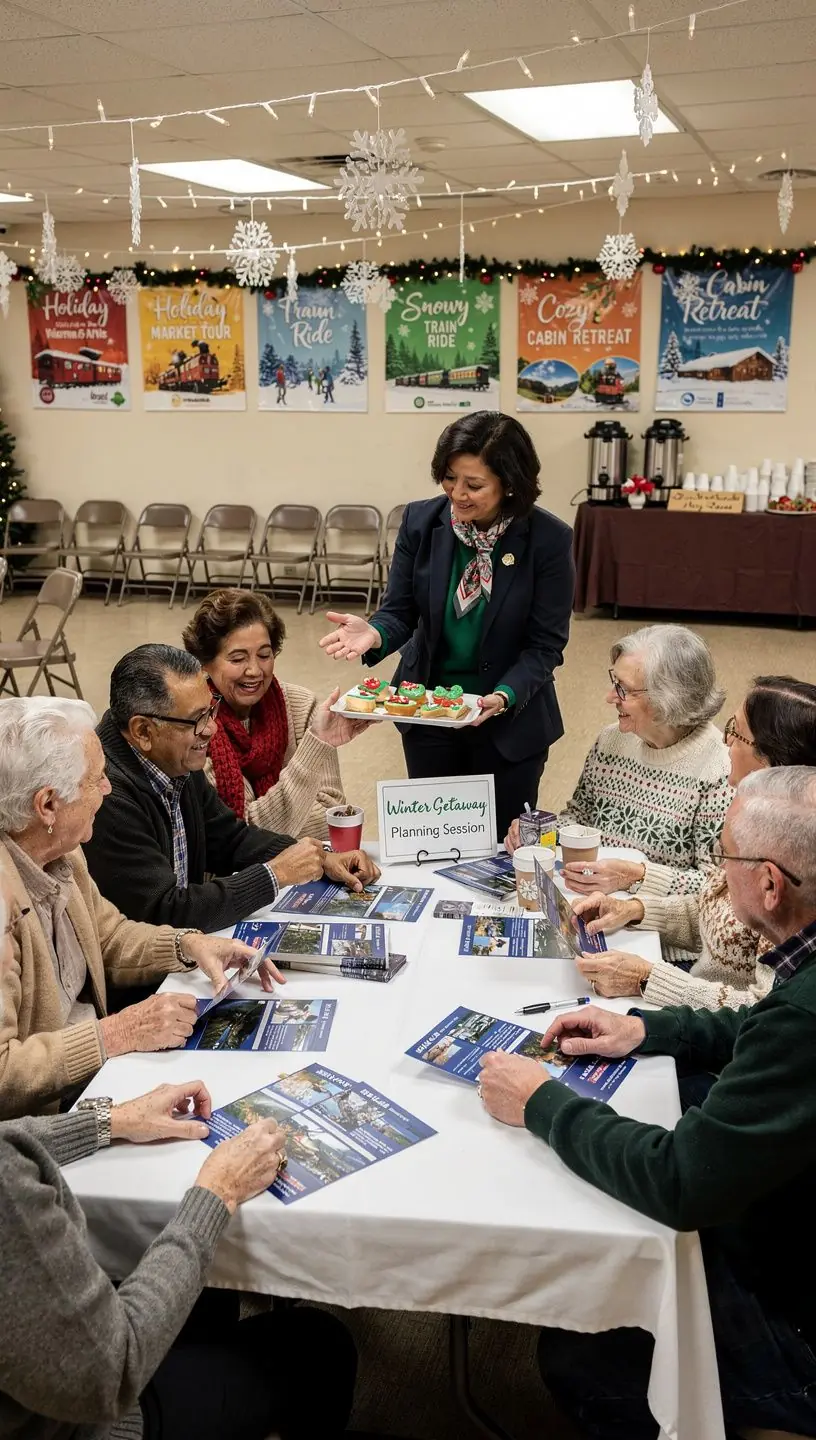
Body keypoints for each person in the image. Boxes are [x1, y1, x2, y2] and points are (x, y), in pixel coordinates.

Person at [478, 765, 816, 1439]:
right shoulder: (800, 983)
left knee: (579, 1352)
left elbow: (679, 1182)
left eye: (725, 859)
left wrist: (543, 1103)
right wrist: (644, 1028)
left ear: (771, 884)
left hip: (799, 1322)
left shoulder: (803, 1020)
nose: (717, 879)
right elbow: (757, 1030)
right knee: (676, 1093)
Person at [0, 876, 358, 1439]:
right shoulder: (11, 1196)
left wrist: (107, 1120)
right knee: (319, 1344)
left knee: (205, 1301)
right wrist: (215, 1195)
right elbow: (107, 1374)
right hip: (95, 1419)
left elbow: (6, 1145)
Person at [0, 697, 288, 1119]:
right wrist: (116, 1032)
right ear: (47, 805)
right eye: (95, 779)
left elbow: (107, 935)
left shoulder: (59, 852)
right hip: (44, 1127)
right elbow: (5, 1072)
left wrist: (188, 944)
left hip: (96, 1079)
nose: (108, 788)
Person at [319, 412, 575, 839]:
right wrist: (377, 632)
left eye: (474, 485)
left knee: (501, 848)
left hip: (510, 721)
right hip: (429, 713)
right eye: (449, 478)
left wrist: (504, 695)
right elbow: (400, 610)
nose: (458, 494)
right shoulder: (422, 522)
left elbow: (545, 645)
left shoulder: (548, 540)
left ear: (510, 484)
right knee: (435, 842)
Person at [84, 644, 379, 931]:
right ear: (143, 731)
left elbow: (229, 838)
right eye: (196, 719)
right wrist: (275, 874)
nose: (211, 728)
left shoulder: (173, 757)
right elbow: (166, 911)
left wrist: (319, 858)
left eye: (211, 710)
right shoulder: (106, 796)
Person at [573, 675, 816, 1007]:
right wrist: (635, 909)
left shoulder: (788, 867)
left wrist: (647, 979)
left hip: (706, 1023)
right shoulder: (750, 815)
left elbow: (762, 1012)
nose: (725, 740)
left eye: (736, 732)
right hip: (691, 992)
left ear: (771, 760)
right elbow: (716, 913)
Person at [506, 623, 730, 897]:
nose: (610, 697)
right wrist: (542, 831)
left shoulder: (720, 769)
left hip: (654, 928)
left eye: (624, 689)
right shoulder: (611, 741)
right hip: (590, 902)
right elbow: (579, 817)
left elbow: (719, 889)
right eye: (614, 683)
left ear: (669, 698)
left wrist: (636, 877)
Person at [182, 589, 368, 840]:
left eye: (264, 655)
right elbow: (240, 835)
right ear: (205, 663)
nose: (254, 670)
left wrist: (264, 823)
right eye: (238, 659)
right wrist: (313, 750)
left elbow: (332, 818)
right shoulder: (196, 725)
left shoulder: (301, 706)